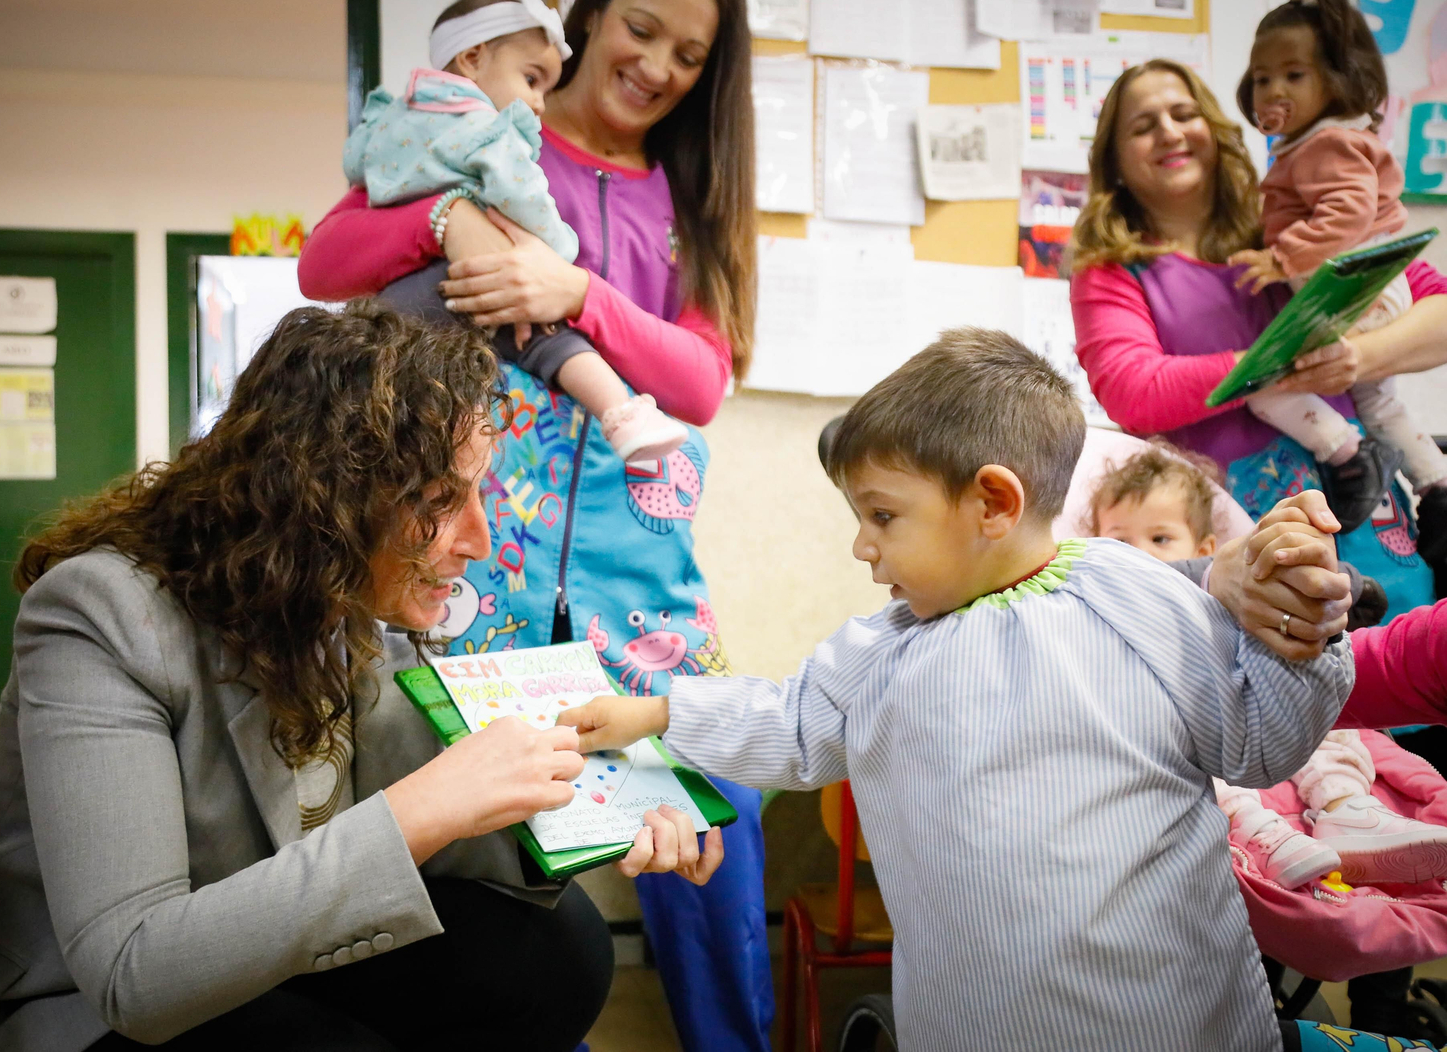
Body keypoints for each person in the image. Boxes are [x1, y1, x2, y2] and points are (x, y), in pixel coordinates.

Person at [0, 301, 718, 1052]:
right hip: (60, 1005)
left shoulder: (341, 600)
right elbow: (133, 972)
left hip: (252, 958)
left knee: (559, 946)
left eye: (477, 495)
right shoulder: (97, 613)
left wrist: (604, 811)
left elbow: (433, 821)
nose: (479, 540)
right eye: (439, 502)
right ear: (328, 499)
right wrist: (422, 808)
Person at [559, 328, 1354, 1050]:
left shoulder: (1138, 593)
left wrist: (1304, 634)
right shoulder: (882, 650)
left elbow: (1258, 745)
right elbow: (790, 722)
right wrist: (654, 711)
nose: (863, 546)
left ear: (993, 503)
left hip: (1178, 1022)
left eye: (882, 514)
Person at [298, 0, 773, 1049]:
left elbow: (696, 380)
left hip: (637, 566)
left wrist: (573, 290)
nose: (657, 67)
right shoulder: (472, 134)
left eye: (691, 56)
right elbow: (322, 262)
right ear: (581, 26)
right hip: (475, 547)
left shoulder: (690, 201)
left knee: (717, 813)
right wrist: (446, 217)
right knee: (476, 835)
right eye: (640, 30)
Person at [1068, 57, 1447, 617]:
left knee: (1403, 675)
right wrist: (1273, 361)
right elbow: (1134, 390)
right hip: (1233, 543)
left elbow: (1434, 304)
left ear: (1213, 131)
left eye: (1183, 113)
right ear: (1116, 160)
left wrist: (1355, 358)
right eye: (1143, 125)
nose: (1169, 132)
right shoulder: (1109, 271)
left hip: (1368, 515)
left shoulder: (1294, 227)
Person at [342, 0, 686, 462]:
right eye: (531, 79)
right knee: (554, 339)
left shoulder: (388, 118)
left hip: (396, 298)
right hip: (462, 285)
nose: (539, 103)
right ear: (472, 57)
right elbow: (522, 197)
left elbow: (356, 167)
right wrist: (556, 259)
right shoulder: (489, 131)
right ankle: (623, 414)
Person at [1089, 443, 1447, 890]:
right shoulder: (1103, 600)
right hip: (1195, 730)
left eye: (1160, 539)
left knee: (1323, 710)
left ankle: (1347, 805)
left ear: (1205, 548)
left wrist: (1321, 588)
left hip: (1260, 700)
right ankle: (1257, 832)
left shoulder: (1219, 583)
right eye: (1121, 542)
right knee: (1184, 755)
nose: (1141, 554)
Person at [1225, 0, 1447, 534]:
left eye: (1294, 75)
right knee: (1381, 403)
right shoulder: (1313, 143)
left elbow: (1348, 211)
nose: (1274, 88)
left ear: (1335, 78)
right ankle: (1437, 485)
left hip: (1357, 289)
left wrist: (1283, 257)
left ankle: (1351, 458)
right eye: (1262, 76)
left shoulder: (1326, 144)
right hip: (1366, 287)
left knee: (1266, 388)